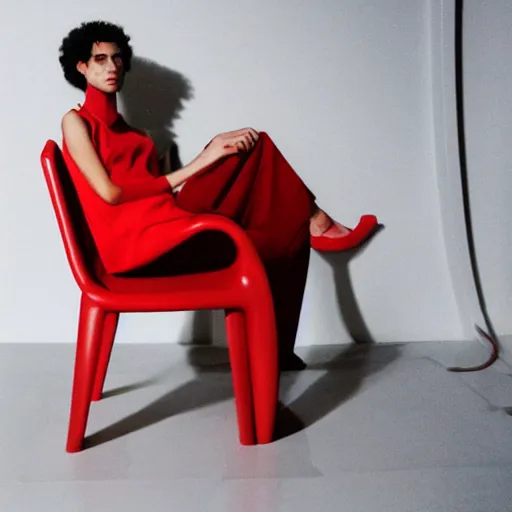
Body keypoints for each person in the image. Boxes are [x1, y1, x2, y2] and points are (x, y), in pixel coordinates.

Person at [58, 21, 378, 371]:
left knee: (259, 155)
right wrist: (203, 161)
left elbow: (158, 194)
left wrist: (211, 152)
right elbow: (111, 193)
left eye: (117, 58)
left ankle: (280, 336)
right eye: (100, 59)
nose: (112, 67)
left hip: (167, 223)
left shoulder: (139, 135)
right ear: (81, 66)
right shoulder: (76, 123)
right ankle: (318, 222)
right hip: (139, 247)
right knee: (247, 180)